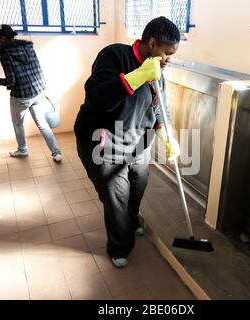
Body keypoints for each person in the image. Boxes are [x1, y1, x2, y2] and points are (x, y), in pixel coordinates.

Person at [74, 16, 181, 268]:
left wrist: (166, 136)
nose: (168, 60)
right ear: (152, 43)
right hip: (104, 142)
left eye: (171, 56)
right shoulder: (114, 55)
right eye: (166, 53)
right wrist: (136, 77)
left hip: (138, 141)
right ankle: (120, 246)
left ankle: (132, 221)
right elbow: (97, 98)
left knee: (138, 185)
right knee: (117, 195)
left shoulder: (158, 72)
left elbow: (157, 109)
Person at [0, 24, 62, 162]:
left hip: (21, 96)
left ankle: (22, 150)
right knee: (42, 124)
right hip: (37, 92)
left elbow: (11, 81)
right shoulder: (28, 48)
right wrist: (43, 89)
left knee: (18, 124)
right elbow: (38, 69)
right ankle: (56, 152)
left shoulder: (5, 54)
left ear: (1, 38)